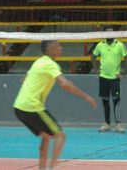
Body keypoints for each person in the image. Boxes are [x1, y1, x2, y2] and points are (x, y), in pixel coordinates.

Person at [13, 40, 97, 170]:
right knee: (60, 137)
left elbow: (23, 79)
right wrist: (85, 96)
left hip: (19, 107)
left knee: (46, 137)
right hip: (32, 107)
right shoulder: (50, 64)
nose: (61, 48)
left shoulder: (38, 62)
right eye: (58, 45)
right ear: (51, 49)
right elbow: (65, 84)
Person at [91, 27, 127, 133]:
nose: (110, 35)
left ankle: (118, 125)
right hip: (103, 77)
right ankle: (107, 124)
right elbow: (93, 56)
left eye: (112, 33)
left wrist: (123, 73)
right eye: (108, 33)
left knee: (116, 101)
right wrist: (95, 69)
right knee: (105, 101)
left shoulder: (120, 45)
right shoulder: (100, 45)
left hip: (114, 78)